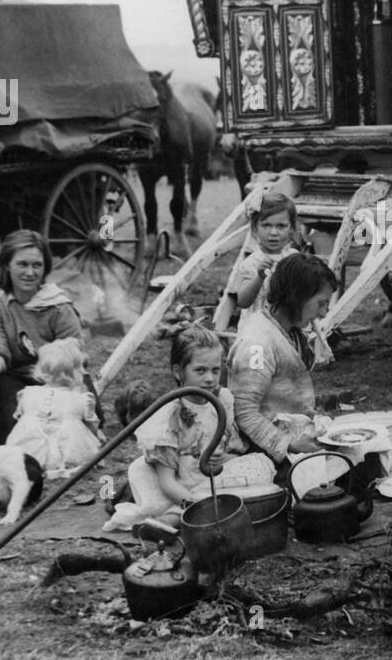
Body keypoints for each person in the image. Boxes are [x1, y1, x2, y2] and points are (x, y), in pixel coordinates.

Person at [105, 325, 262, 533]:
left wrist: (225, 459)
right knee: (203, 506)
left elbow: (234, 451)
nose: (210, 378)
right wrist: (199, 505)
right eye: (200, 370)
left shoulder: (222, 401)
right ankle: (172, 520)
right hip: (180, 489)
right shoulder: (169, 415)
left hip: (215, 479)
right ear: (179, 372)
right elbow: (166, 481)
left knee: (261, 467)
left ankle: (186, 517)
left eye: (215, 370)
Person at [0, 231, 84, 448]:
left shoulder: (58, 306)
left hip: (57, 376)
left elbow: (74, 349)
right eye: (22, 264)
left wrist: (54, 367)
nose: (30, 272)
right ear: (7, 266)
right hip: (16, 374)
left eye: (37, 265)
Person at [228, 253, 339, 468]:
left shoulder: (290, 332)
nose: (324, 313)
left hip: (295, 435)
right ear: (297, 296)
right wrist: (289, 444)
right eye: (320, 304)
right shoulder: (257, 343)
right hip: (265, 454)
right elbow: (244, 411)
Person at [6, 338, 101, 479]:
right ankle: (63, 464)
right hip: (69, 449)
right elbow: (92, 424)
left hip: (31, 448)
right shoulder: (79, 399)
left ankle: (32, 462)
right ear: (75, 373)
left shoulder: (29, 394)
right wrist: (96, 435)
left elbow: (19, 419)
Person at [220, 193, 302, 327]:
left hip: (286, 326)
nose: (273, 232)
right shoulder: (251, 263)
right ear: (255, 229)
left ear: (291, 229)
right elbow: (243, 301)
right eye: (266, 225)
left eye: (281, 226)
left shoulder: (294, 258)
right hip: (257, 330)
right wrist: (259, 277)